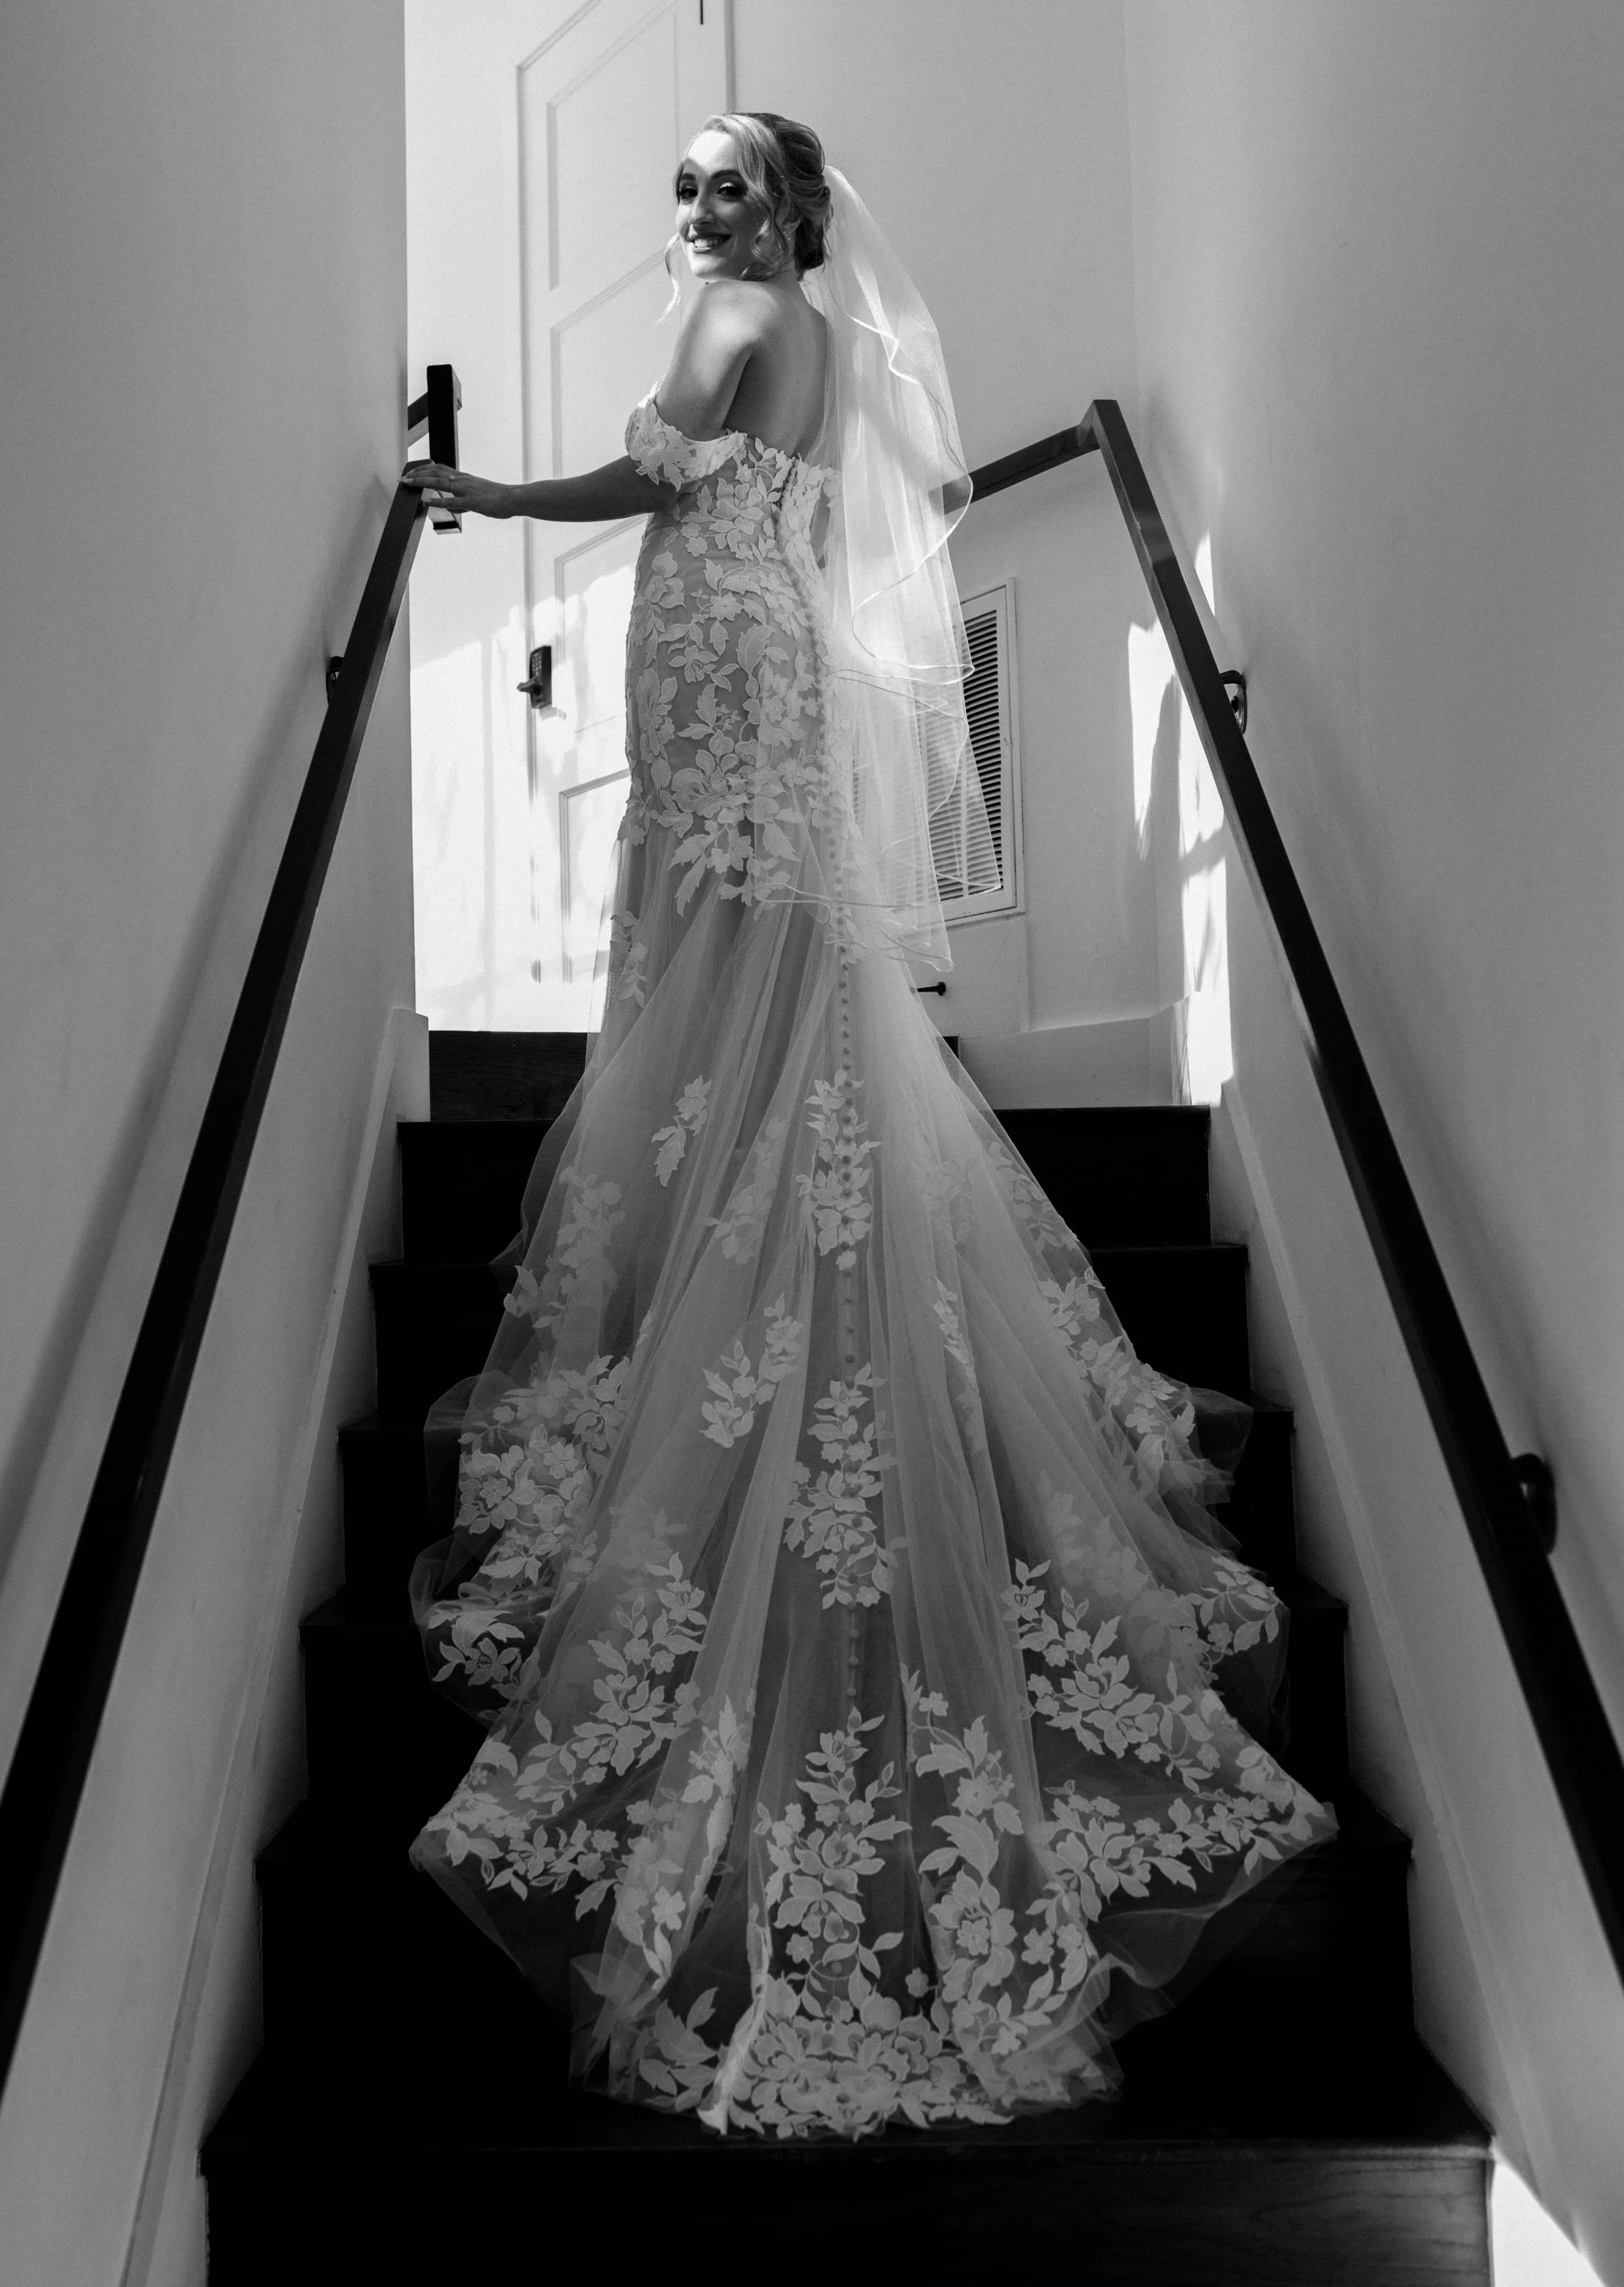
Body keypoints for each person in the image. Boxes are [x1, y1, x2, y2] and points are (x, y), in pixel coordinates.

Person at [401, 113, 1333, 2141]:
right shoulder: (813, 333)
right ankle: (752, 1184)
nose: (699, 212)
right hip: (770, 646)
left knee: (709, 936)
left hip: (710, 642)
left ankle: (726, 1220)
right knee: (762, 948)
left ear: (790, 209)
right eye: (685, 186)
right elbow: (777, 511)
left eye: (730, 182)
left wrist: (469, 485)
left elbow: (645, 471)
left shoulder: (734, 314)